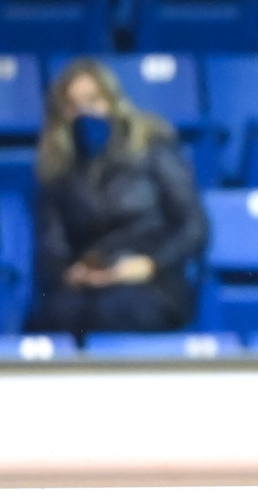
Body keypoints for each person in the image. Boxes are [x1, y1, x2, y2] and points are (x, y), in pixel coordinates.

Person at [25, 60, 209, 340]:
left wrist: (150, 264)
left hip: (151, 280)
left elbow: (194, 227)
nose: (84, 112)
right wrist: (75, 273)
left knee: (116, 311)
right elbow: (52, 247)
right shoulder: (58, 171)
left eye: (93, 100)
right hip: (90, 285)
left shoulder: (152, 148)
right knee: (58, 314)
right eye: (72, 105)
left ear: (112, 102)